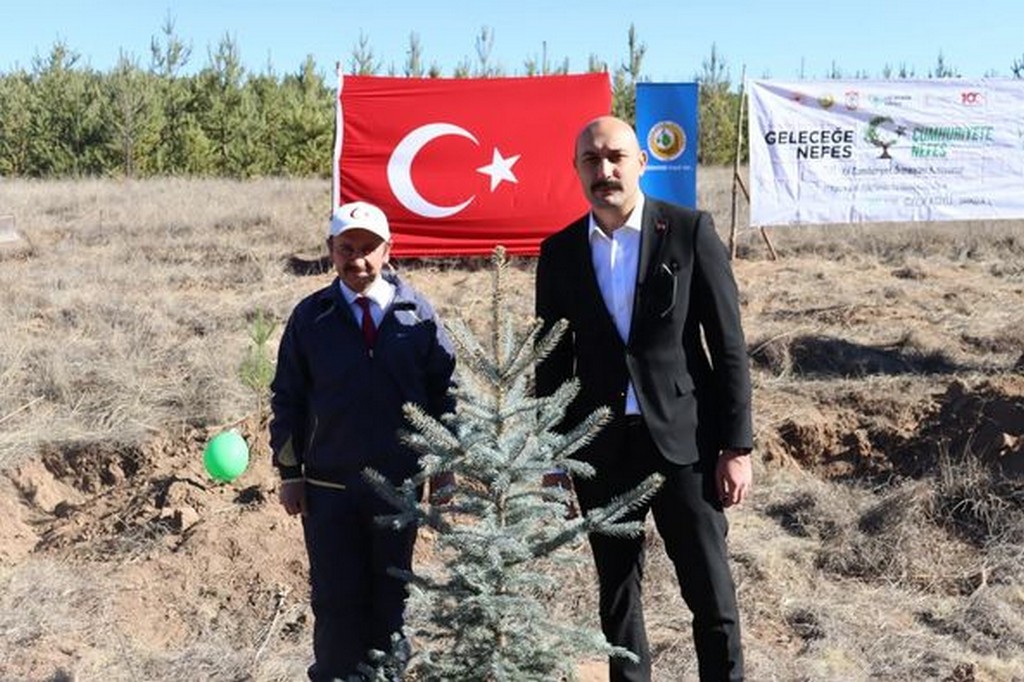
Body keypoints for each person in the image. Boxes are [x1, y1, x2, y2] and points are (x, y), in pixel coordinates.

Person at [535, 116, 753, 682]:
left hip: (685, 444)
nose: (604, 171)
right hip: (603, 452)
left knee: (711, 595)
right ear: (577, 169)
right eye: (591, 160)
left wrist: (736, 446)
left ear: (641, 163)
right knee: (618, 599)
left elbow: (728, 346)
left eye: (615, 157)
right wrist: (555, 457)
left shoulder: (688, 232)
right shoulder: (559, 253)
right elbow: (551, 361)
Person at [270, 200, 456, 681]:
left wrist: (445, 467)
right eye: (346, 248)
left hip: (398, 486)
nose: (358, 259)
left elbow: (446, 395)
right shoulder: (311, 317)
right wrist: (291, 474)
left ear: (388, 249)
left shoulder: (418, 316)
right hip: (329, 491)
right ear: (330, 250)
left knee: (391, 598)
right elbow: (287, 399)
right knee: (335, 601)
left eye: (369, 248)